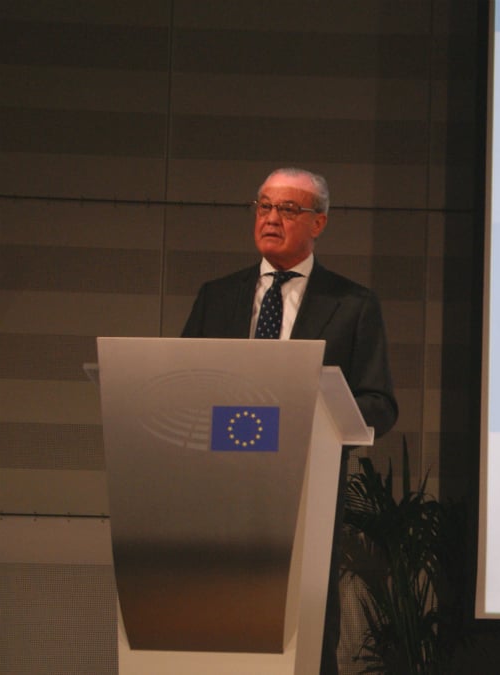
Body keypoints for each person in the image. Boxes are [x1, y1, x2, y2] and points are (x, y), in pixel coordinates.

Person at [182, 167, 398, 674]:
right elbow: (182, 387)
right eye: (263, 206)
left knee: (301, 643)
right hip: (218, 499)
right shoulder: (217, 296)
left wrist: (309, 414)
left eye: (288, 209)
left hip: (305, 499)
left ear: (319, 223)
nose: (271, 219)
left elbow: (380, 403)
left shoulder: (353, 305)